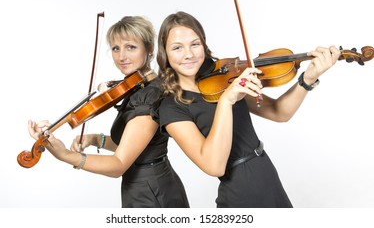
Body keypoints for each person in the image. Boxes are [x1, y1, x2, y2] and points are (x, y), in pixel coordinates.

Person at [156, 11, 340, 208]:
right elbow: (214, 165)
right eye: (177, 48)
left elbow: (279, 112)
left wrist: (308, 79)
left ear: (204, 44)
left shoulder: (223, 77)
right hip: (241, 193)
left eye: (195, 44)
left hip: (267, 177)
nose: (189, 54)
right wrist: (226, 102)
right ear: (165, 54)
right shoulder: (172, 107)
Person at [28, 15, 189, 208]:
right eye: (115, 48)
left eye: (131, 47)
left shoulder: (150, 95)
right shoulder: (138, 88)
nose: (121, 56)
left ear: (149, 49)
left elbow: (119, 164)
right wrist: (95, 139)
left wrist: (65, 155)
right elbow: (136, 146)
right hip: (148, 185)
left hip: (152, 193)